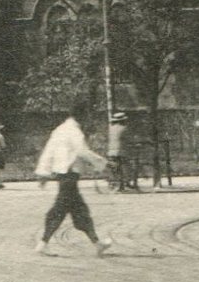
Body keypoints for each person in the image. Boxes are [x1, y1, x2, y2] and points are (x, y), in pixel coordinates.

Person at [33, 103, 110, 256]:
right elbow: (82, 151)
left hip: (63, 175)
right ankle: (42, 244)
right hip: (70, 174)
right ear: (82, 115)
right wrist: (103, 163)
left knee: (79, 210)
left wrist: (43, 172)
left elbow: (49, 150)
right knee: (60, 210)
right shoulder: (75, 131)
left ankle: (97, 243)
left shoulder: (60, 130)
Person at [107, 111, 129, 191]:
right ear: (122, 121)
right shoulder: (124, 128)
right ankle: (121, 185)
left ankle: (113, 184)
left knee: (114, 168)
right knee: (122, 167)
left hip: (111, 151)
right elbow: (128, 139)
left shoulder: (111, 128)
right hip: (120, 151)